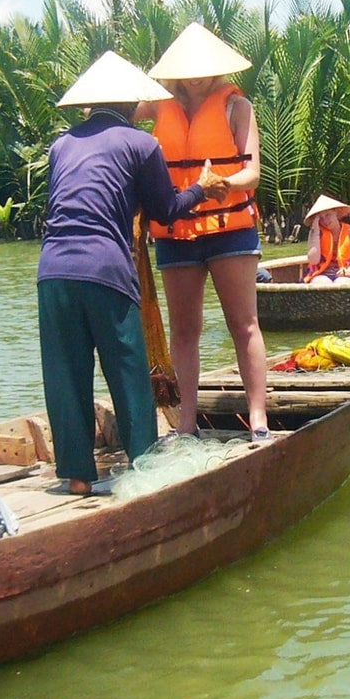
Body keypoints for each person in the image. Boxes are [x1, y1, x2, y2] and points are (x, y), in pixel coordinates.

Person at [39, 52, 227, 495]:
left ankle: (79, 477)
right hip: (104, 266)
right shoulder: (142, 145)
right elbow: (165, 211)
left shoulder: (61, 146)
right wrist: (203, 187)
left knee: (66, 374)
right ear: (132, 105)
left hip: (53, 269)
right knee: (127, 369)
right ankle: (145, 467)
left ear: (87, 106)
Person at [139, 24, 270, 440]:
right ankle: (187, 422)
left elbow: (252, 173)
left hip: (229, 228)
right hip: (175, 227)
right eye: (186, 69)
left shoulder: (236, 106)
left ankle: (259, 417)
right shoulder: (159, 104)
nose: (195, 76)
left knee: (243, 324)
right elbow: (115, 108)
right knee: (184, 329)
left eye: (203, 68)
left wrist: (220, 184)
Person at [300, 195, 350, 283]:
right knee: (321, 282)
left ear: (336, 212)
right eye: (320, 218)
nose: (325, 220)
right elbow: (314, 260)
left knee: (342, 282)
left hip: (346, 275)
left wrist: (348, 272)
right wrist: (316, 233)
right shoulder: (315, 233)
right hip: (321, 274)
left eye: (328, 215)